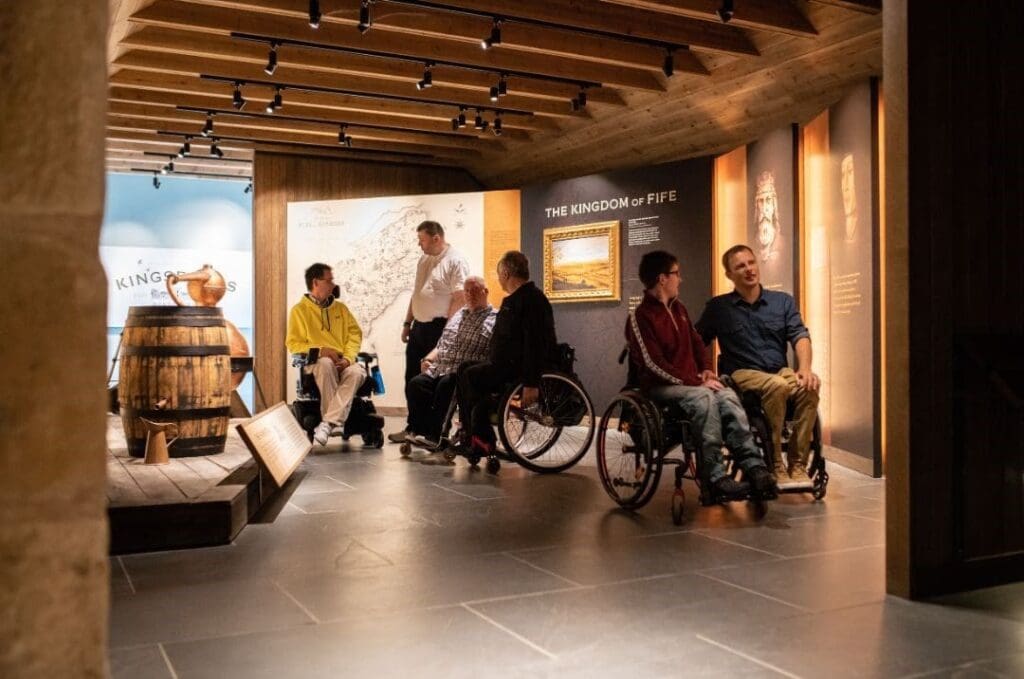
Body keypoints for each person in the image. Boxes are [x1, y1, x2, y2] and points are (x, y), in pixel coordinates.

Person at [626, 250, 774, 499]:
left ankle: (755, 468)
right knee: (703, 399)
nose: (680, 279)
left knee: (727, 396)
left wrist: (707, 371)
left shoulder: (679, 309)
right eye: (676, 274)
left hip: (690, 383)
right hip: (660, 387)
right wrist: (695, 382)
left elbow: (697, 344)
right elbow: (653, 364)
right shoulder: (639, 317)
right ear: (663, 279)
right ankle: (715, 477)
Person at [696, 244, 821, 487]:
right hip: (740, 376)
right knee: (777, 385)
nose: (749, 270)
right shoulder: (719, 308)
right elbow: (696, 341)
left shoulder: (782, 302)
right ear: (729, 275)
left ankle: (797, 464)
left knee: (808, 386)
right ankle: (774, 463)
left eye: (751, 263)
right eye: (740, 266)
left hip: (779, 372)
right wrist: (703, 369)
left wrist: (805, 368)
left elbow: (800, 335)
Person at [456, 251, 557, 458]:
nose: (499, 278)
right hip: (505, 364)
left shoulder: (531, 299)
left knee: (470, 375)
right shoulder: (518, 299)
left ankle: (480, 437)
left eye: (499, 274)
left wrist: (531, 383)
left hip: (517, 369)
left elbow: (535, 343)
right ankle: (470, 432)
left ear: (507, 272)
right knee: (464, 367)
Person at [389, 220, 470, 443]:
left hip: (439, 328)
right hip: (419, 328)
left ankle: (433, 431)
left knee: (434, 381)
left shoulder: (455, 260)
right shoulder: (424, 259)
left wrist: (447, 335)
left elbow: (459, 299)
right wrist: (407, 323)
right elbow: (417, 294)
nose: (419, 245)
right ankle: (413, 428)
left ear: (436, 238)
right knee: (411, 379)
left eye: (422, 240)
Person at [406, 276, 496, 447]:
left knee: (445, 386)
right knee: (416, 384)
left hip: (462, 373)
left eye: (475, 290)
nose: (470, 294)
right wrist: (428, 358)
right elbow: (442, 343)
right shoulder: (458, 315)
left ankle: (436, 435)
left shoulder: (494, 318)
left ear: (485, 292)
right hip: (440, 367)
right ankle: (419, 430)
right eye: (467, 291)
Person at [286, 263, 365, 446]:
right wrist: (321, 350)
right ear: (316, 282)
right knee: (325, 364)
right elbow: (293, 343)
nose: (333, 285)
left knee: (358, 372)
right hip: (316, 362)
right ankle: (333, 421)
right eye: (329, 281)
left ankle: (328, 423)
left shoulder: (341, 309)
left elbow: (355, 334)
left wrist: (347, 359)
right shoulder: (299, 311)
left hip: (341, 361)